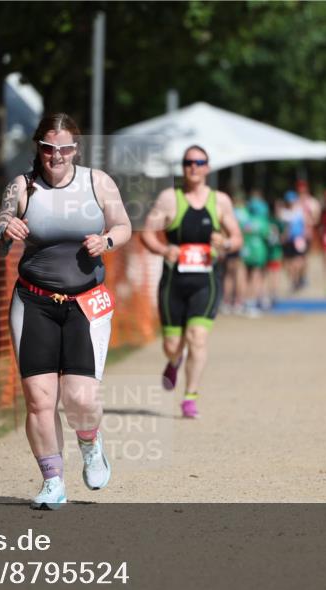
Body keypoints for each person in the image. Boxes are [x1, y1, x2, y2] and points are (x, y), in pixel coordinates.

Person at [0, 112, 132, 510]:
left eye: (65, 148)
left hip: (86, 302)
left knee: (81, 398)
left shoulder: (96, 181)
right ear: (39, 148)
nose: (57, 156)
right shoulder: (22, 187)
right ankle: (52, 480)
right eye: (49, 148)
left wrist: (107, 241)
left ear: (75, 149)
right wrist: (5, 231)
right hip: (34, 301)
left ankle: (90, 443)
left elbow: (122, 224)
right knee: (39, 399)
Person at [141, 145, 242, 419]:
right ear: (183, 167)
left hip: (206, 281)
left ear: (208, 167)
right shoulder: (169, 199)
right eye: (188, 163)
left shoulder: (220, 201)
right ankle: (174, 361)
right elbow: (147, 233)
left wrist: (227, 242)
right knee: (172, 346)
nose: (194, 167)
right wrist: (164, 250)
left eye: (199, 162)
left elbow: (237, 238)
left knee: (197, 337)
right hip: (173, 282)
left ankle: (190, 397)